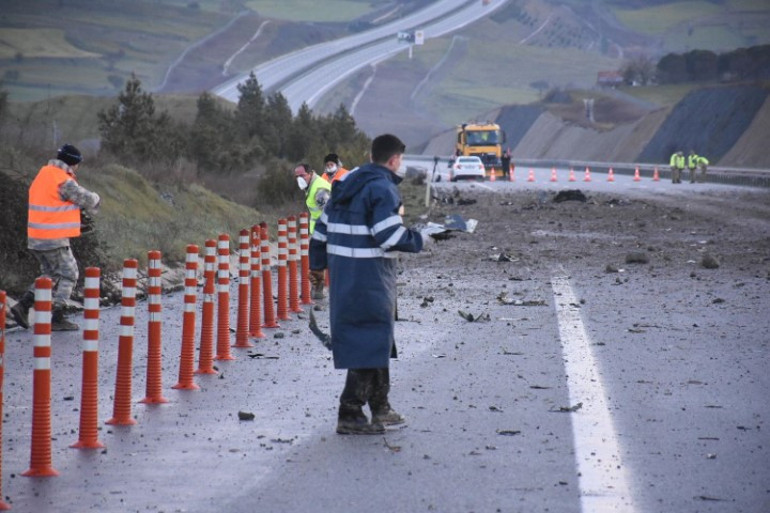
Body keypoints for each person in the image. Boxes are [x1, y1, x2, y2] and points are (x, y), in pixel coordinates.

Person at [308, 134, 423, 435]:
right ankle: (350, 412)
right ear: (394, 160)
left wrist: (317, 266)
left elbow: (320, 232)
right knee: (370, 340)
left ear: (372, 156)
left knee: (375, 339)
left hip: (344, 277)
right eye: (401, 160)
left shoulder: (345, 184)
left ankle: (381, 407)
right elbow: (389, 237)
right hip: (370, 277)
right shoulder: (382, 188)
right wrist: (421, 238)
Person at [11, 144, 101, 331]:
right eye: (78, 164)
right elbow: (86, 199)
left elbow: (54, 206)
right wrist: (96, 198)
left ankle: (23, 305)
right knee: (70, 274)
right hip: (53, 237)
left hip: (36, 236)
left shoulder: (44, 174)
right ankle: (58, 316)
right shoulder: (62, 179)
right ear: (73, 163)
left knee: (50, 274)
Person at [293, 163, 331, 299]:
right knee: (317, 262)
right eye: (297, 177)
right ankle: (317, 291)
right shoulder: (311, 187)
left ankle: (319, 291)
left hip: (326, 231)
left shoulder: (319, 189)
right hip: (319, 231)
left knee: (319, 262)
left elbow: (330, 212)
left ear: (310, 174)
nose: (299, 179)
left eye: (302, 176)